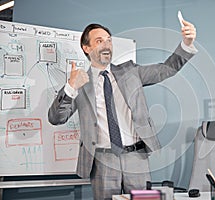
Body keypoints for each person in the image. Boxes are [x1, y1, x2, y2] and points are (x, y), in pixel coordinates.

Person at [48, 18, 197, 200]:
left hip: (136, 158)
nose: (106, 45)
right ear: (86, 48)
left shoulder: (130, 71)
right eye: (99, 41)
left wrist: (186, 44)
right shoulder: (79, 83)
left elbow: (167, 69)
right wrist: (71, 87)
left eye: (109, 40)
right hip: (103, 160)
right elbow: (56, 118)